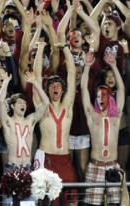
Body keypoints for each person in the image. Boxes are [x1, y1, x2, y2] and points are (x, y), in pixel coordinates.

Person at [33, 42, 78, 206]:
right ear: (47, 90)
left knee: (71, 201)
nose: (55, 87)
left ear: (63, 90)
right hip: (47, 159)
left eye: (58, 85)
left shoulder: (68, 105)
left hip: (65, 159)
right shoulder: (42, 107)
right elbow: (36, 76)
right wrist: (39, 49)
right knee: (46, 203)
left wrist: (66, 47)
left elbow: (72, 73)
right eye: (51, 86)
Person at [0, 71, 49, 205]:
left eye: (24, 103)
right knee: (9, 204)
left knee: (29, 204)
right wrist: (6, 83)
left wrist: (35, 83)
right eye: (19, 102)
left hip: (28, 168)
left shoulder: (30, 120)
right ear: (13, 106)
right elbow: (0, 101)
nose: (23, 105)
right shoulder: (8, 122)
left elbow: (45, 103)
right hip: (12, 169)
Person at [81, 52, 125, 206]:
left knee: (116, 204)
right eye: (99, 96)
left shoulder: (116, 117)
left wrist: (113, 65)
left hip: (113, 165)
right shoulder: (93, 116)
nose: (101, 98)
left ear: (110, 98)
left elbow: (122, 90)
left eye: (104, 95)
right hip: (96, 166)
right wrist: (86, 67)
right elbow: (84, 91)